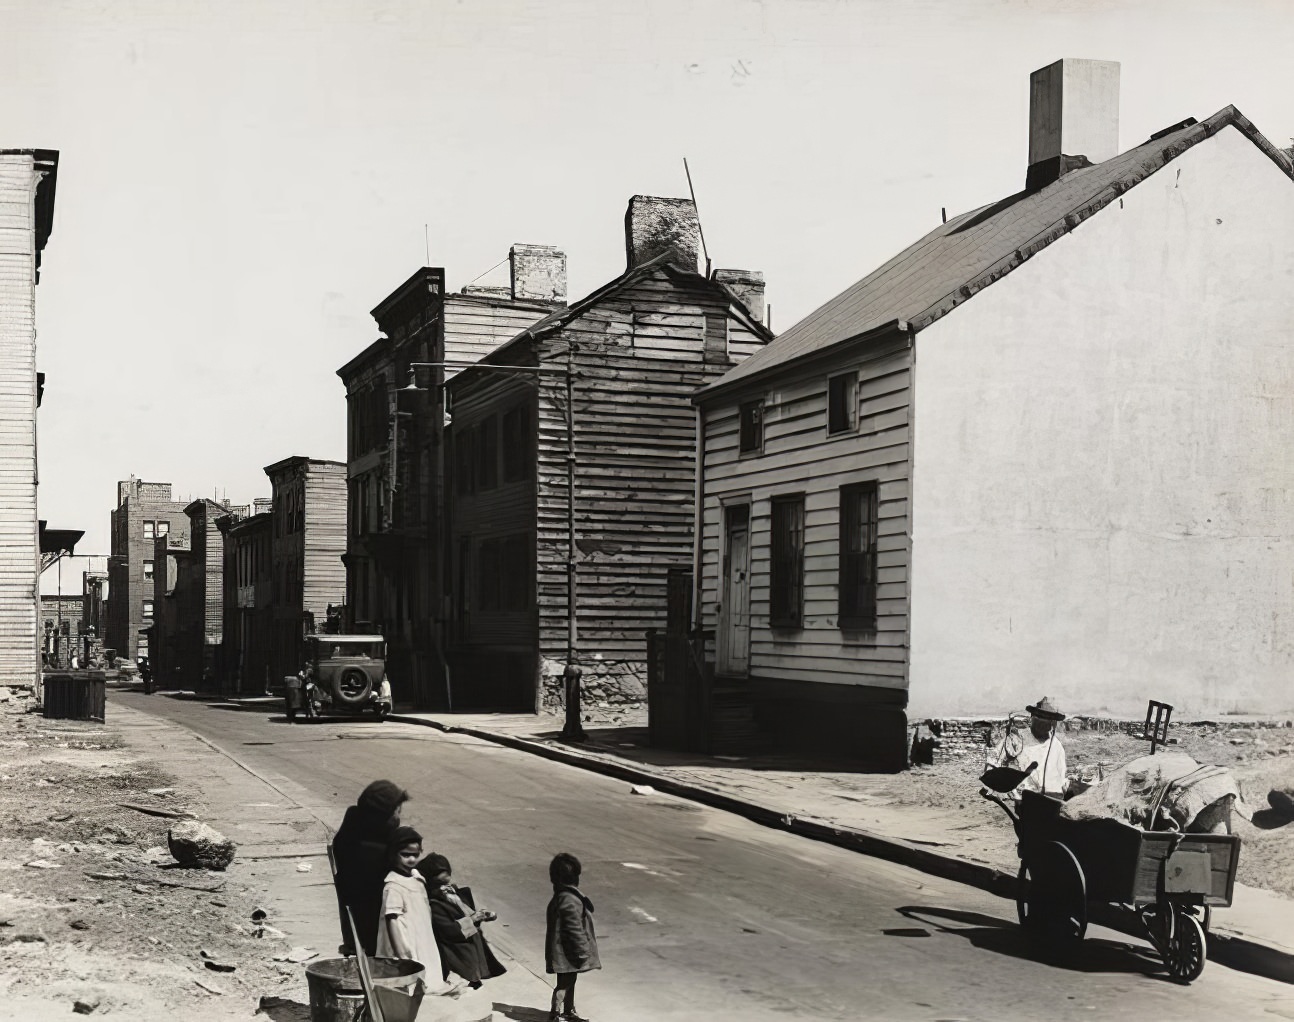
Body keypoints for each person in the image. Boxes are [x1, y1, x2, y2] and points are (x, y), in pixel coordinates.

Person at [332, 779, 409, 955]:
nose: (398, 817)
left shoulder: (353, 829)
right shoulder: (372, 852)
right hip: (375, 930)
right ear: (380, 817)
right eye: (396, 811)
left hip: (365, 920)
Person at [418, 852, 506, 988]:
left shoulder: (455, 893)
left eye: (446, 870)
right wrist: (473, 919)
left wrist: (482, 916)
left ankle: (476, 978)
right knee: (468, 980)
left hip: (473, 945)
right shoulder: (435, 904)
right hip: (459, 952)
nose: (446, 874)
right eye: (441, 872)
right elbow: (449, 930)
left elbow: (468, 912)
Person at [545, 852, 600, 1022]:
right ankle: (555, 1013)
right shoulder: (569, 899)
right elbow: (574, 929)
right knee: (564, 984)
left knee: (570, 980)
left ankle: (568, 1011)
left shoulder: (562, 896)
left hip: (563, 951)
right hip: (568, 952)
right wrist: (582, 952)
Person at [986, 695, 1069, 798]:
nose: (1042, 722)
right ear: (1032, 717)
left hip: (1050, 800)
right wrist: (1011, 792)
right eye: (1039, 717)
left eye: (1047, 719)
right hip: (1024, 798)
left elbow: (1061, 776)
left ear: (1053, 723)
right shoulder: (1017, 739)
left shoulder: (1056, 746)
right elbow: (992, 763)